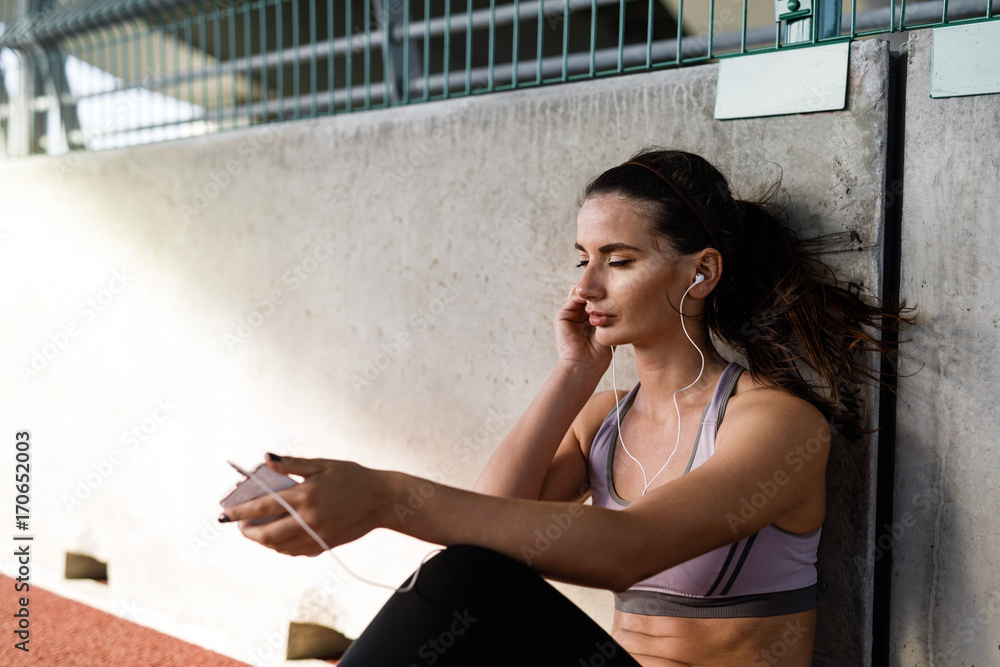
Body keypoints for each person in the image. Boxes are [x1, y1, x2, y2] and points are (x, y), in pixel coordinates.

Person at [218, 148, 910, 666]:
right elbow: (482, 540)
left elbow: (629, 549)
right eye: (581, 256)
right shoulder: (604, 415)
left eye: (618, 259)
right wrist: (572, 376)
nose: (585, 285)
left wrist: (388, 496)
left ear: (700, 272)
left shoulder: (775, 423)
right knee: (466, 576)